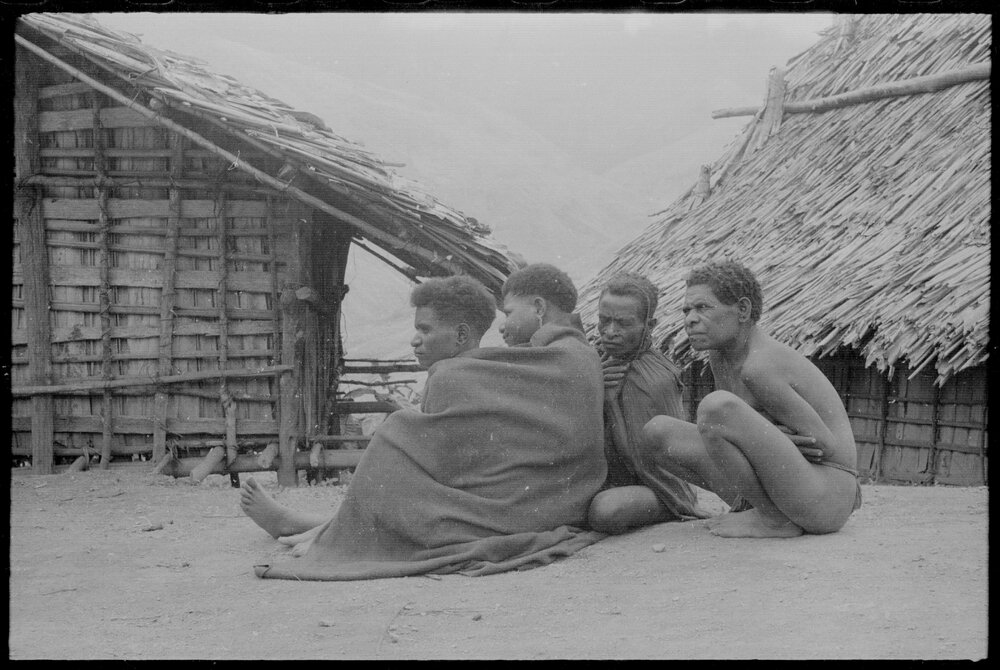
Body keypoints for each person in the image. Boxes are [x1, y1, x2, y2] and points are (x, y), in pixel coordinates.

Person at [241, 273, 608, 580]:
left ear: (539, 308)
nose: (503, 323)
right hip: (547, 502)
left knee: (396, 437)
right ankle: (323, 525)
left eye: (509, 313)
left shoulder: (479, 370)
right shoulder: (565, 354)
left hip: (522, 508)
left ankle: (327, 531)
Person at [641, 260, 862, 538]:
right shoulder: (719, 356)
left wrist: (769, 436)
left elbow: (825, 446)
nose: (690, 319)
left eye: (703, 308)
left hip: (827, 495)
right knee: (657, 432)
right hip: (789, 487)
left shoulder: (759, 367)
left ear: (743, 310)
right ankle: (757, 509)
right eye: (687, 310)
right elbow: (740, 434)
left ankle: (773, 521)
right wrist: (766, 436)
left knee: (715, 407)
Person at [586, 273, 708, 535]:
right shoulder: (595, 361)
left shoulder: (655, 378)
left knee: (605, 511)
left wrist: (609, 402)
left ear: (648, 325)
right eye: (604, 320)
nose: (610, 331)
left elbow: (642, 460)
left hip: (657, 485)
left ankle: (669, 510)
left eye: (623, 323)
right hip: (610, 478)